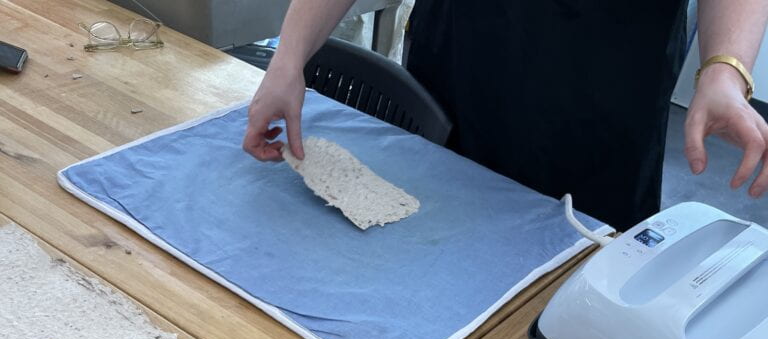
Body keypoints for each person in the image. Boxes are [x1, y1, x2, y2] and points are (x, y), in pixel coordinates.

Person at [242, 1, 768, 230]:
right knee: (420, 241)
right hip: (457, 66)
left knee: (561, 301)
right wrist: (289, 60)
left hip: (600, 98)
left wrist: (725, 69)